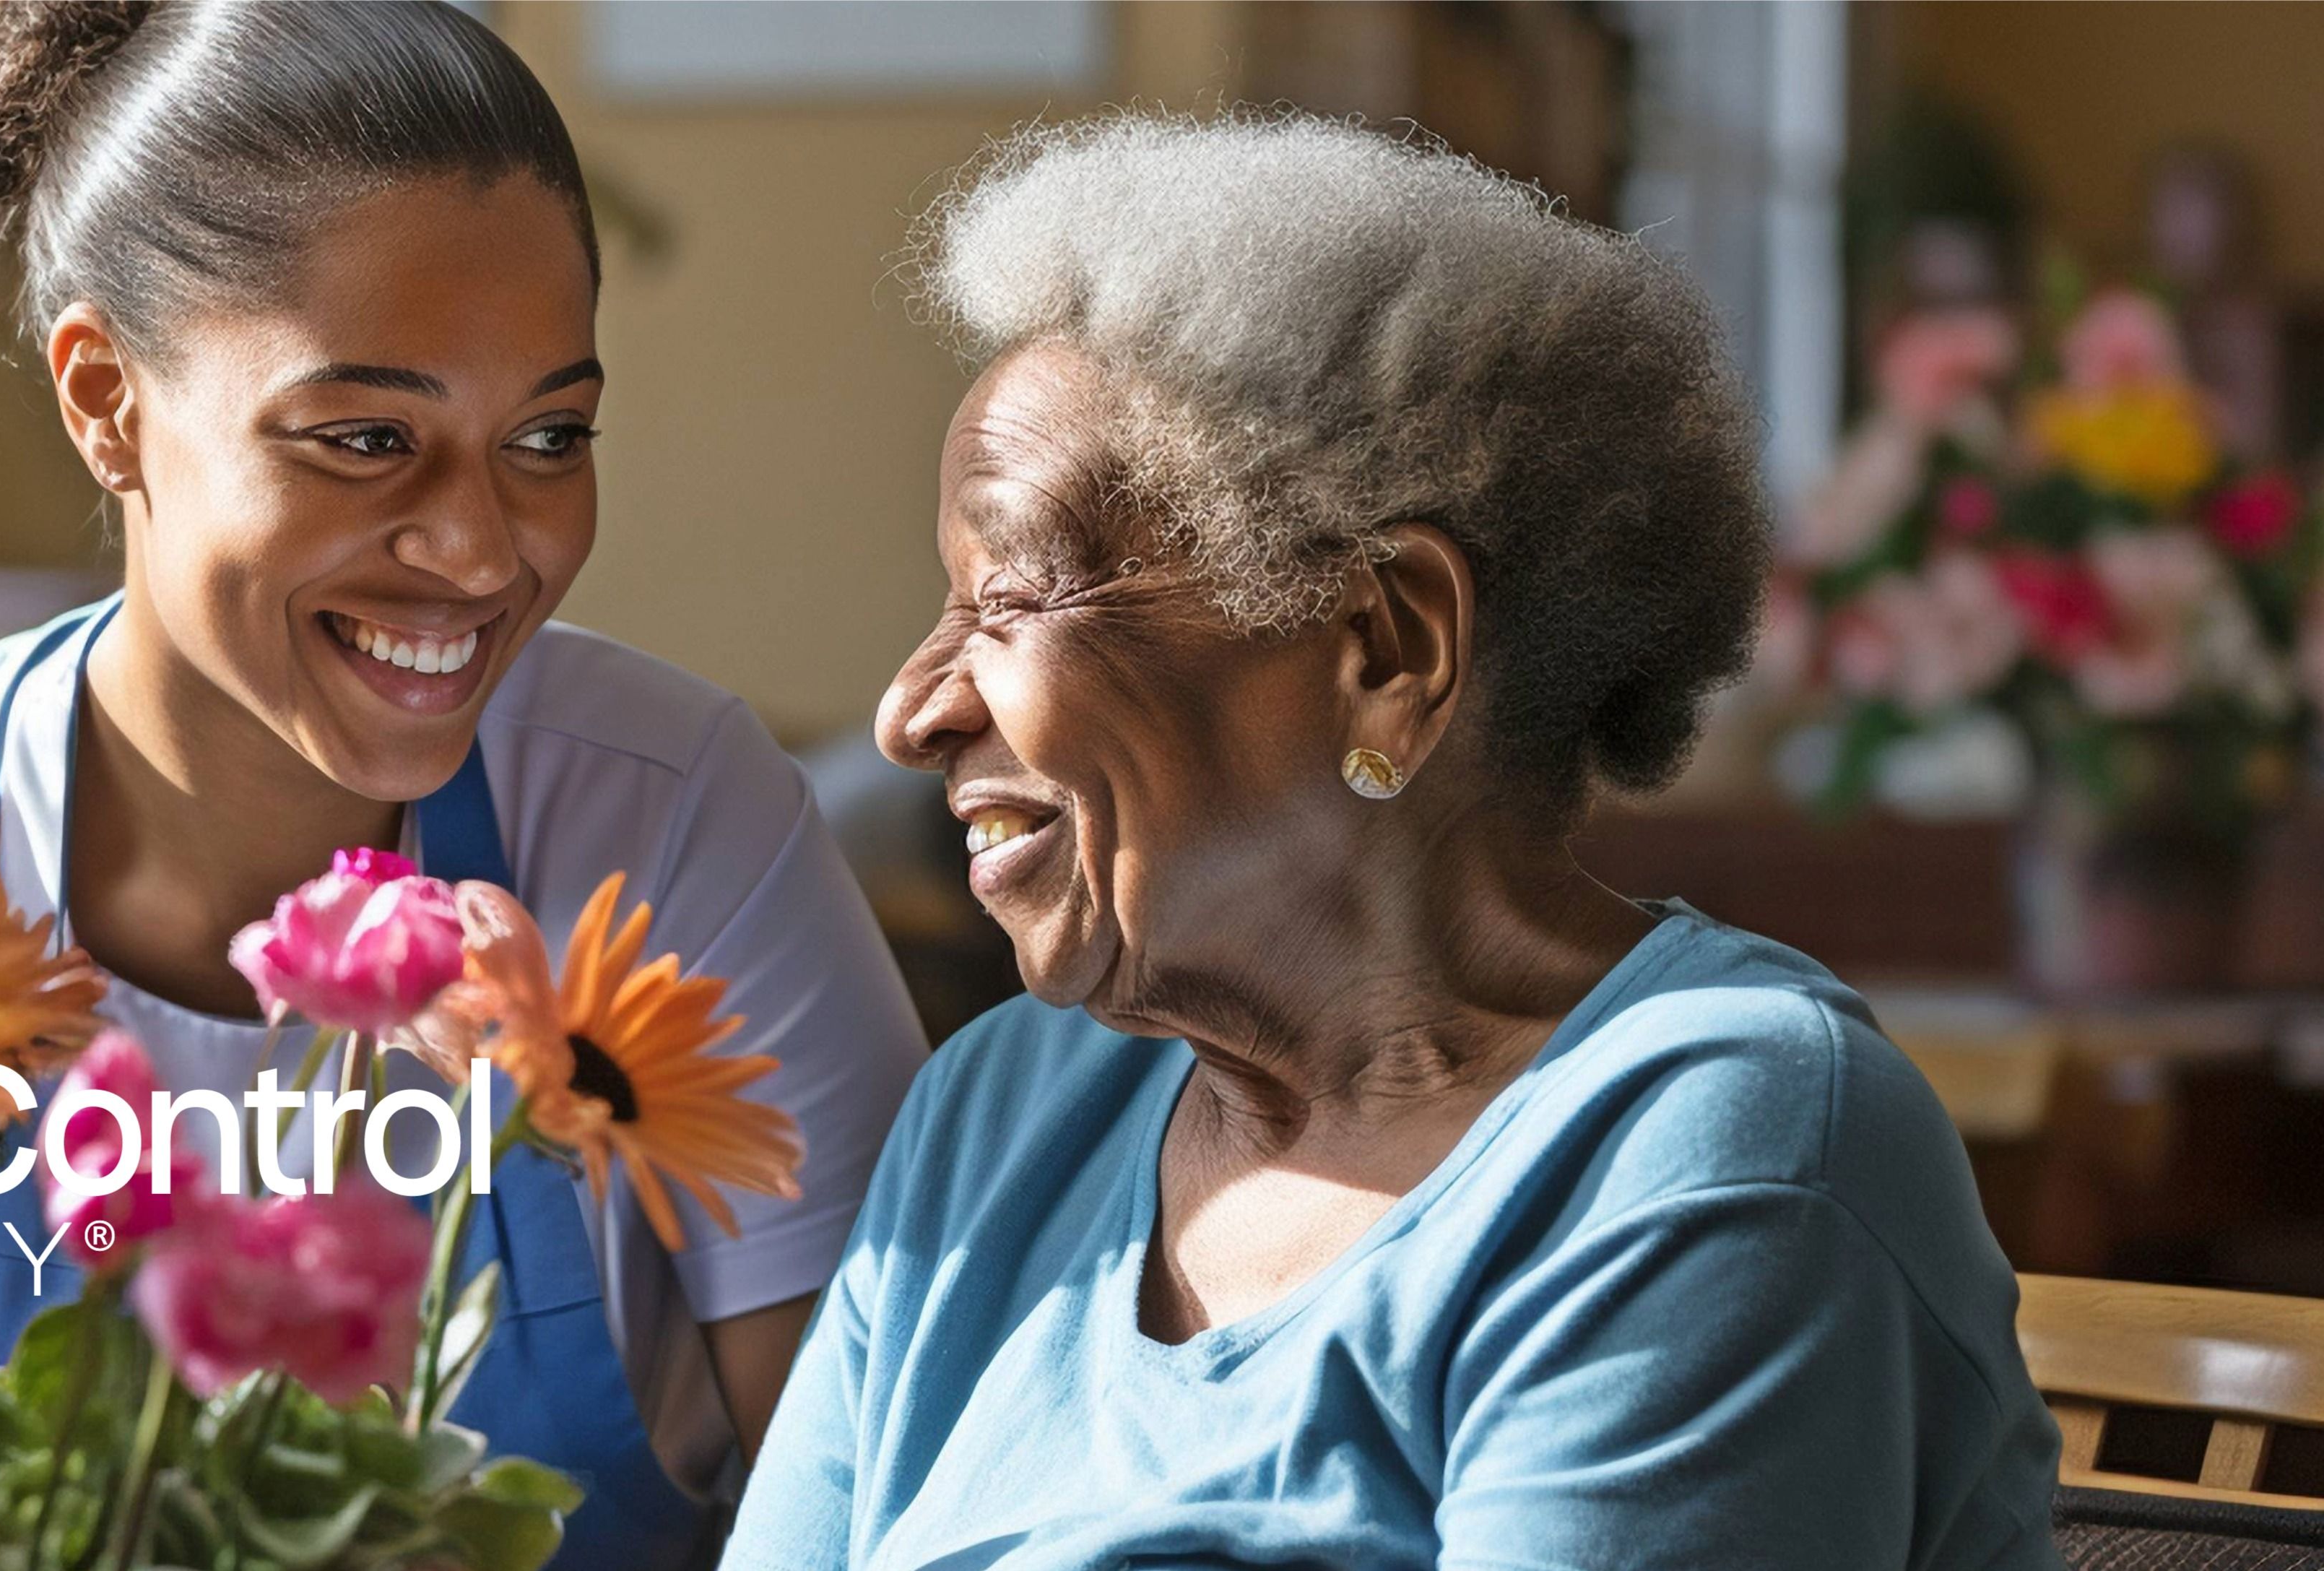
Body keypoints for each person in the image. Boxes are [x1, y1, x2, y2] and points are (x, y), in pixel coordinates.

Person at [729, 113, 2063, 1570]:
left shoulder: (1700, 1146)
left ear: (1387, 642)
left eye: (1012, 596)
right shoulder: (996, 1121)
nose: (910, 710)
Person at [0, 4, 925, 1564]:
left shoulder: (678, 822)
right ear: (104, 401)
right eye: (366, 437)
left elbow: (882, 1509)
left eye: (550, 435)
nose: (486, 549)